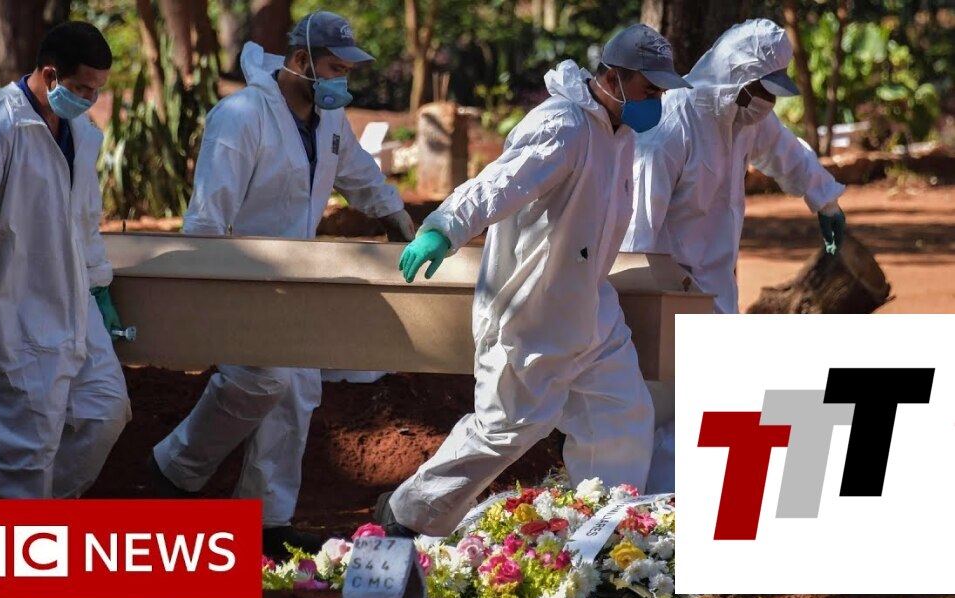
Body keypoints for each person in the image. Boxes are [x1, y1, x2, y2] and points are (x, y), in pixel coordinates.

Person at [375, 25, 691, 538]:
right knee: (506, 430)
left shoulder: (619, 133)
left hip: (592, 310)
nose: (656, 101)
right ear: (614, 77)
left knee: (622, 416)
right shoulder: (562, 126)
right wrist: (443, 228)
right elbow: (498, 183)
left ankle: (605, 536)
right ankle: (406, 512)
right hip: (533, 314)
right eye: (649, 89)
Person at [148, 11, 416, 556]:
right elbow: (207, 217)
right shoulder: (241, 117)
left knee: (297, 390)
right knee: (260, 380)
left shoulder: (329, 119)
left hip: (298, 280)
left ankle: (267, 523)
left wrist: (398, 221)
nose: (343, 82)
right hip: (242, 278)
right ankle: (174, 471)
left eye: (348, 71)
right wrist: (204, 290)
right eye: (335, 69)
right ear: (300, 61)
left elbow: (360, 176)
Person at [0, 22, 131, 498]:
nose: (90, 99)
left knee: (104, 411)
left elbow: (84, 218)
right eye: (81, 88)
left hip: (72, 304)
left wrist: (97, 284)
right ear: (50, 75)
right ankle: (20, 538)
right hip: (11, 311)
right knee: (28, 449)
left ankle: (41, 518)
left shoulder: (81, 133)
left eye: (97, 89)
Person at [622, 18, 848, 315]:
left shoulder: (744, 117)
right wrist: (638, 309)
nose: (770, 102)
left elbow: (786, 151)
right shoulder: (671, 130)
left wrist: (826, 200)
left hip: (718, 289)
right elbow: (637, 234)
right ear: (738, 76)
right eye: (764, 90)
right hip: (668, 293)